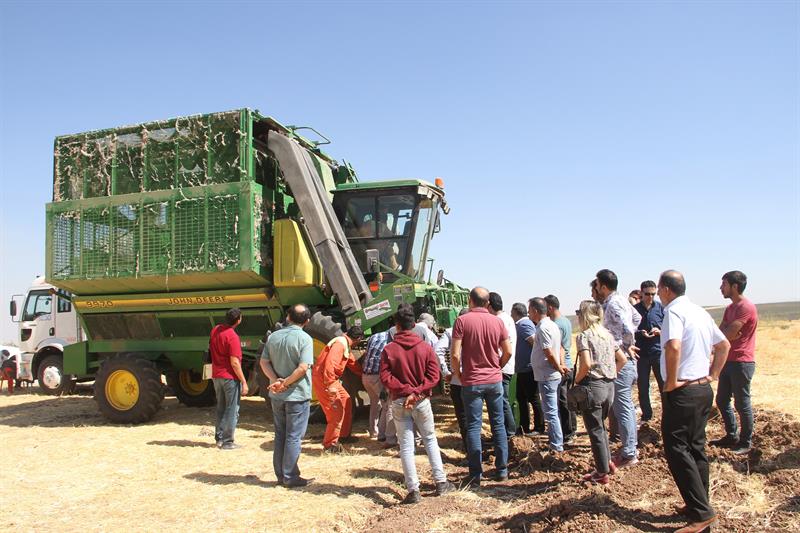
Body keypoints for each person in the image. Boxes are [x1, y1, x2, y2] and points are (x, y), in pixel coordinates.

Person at [658, 270, 730, 533]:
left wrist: (671, 382)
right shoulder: (700, 311)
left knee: (677, 449)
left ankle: (701, 514)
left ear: (666, 289)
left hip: (683, 392)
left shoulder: (673, 312)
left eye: (659, 288)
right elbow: (724, 346)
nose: (658, 294)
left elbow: (673, 346)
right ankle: (699, 504)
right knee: (696, 447)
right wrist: (713, 375)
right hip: (702, 389)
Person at [380, 303, 454, 504]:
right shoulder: (425, 348)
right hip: (421, 401)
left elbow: (385, 377)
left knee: (405, 445)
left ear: (396, 326)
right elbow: (434, 376)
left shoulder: (389, 349)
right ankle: (441, 482)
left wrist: (405, 391)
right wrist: (416, 392)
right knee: (429, 439)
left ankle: (413, 490)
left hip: (399, 402)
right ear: (413, 325)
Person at [450, 287, 512, 486]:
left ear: (470, 301)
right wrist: (497, 367)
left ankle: (476, 473)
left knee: (473, 427)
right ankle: (502, 470)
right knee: (498, 425)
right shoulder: (498, 321)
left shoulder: (462, 321)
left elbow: (455, 354)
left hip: (472, 381)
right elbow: (508, 351)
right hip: (494, 381)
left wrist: (459, 374)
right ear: (488, 303)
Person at [260, 304, 314, 487]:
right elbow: (303, 367)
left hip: (277, 395)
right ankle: (290, 476)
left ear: (288, 317)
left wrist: (275, 381)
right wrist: (286, 383)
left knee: (280, 435)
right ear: (307, 321)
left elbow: (264, 362)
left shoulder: (273, 336)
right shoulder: (305, 339)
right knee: (294, 437)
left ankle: (280, 475)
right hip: (297, 395)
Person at [574, 300, 627, 484]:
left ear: (585, 316)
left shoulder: (584, 336)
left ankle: (601, 472)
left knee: (595, 430)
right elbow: (622, 359)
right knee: (601, 427)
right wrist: (610, 375)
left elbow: (586, 364)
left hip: (592, 387)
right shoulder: (607, 335)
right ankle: (608, 462)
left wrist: (577, 380)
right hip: (609, 387)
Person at [595, 269, 641, 468]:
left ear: (604, 286)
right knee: (624, 405)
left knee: (623, 407)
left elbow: (629, 327)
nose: (596, 288)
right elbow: (637, 318)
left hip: (620, 360)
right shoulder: (621, 300)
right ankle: (630, 447)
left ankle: (629, 453)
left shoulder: (613, 304)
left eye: (597, 285)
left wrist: (626, 344)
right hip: (621, 358)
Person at [712, 270, 758, 455]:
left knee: (742, 403)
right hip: (728, 360)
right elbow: (721, 332)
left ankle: (746, 442)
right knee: (722, 400)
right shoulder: (730, 308)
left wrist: (725, 335)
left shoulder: (746, 307)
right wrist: (725, 336)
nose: (720, 288)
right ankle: (732, 435)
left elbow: (728, 333)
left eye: (724, 284)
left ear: (735, 286)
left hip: (742, 362)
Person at [312, 326, 365, 453]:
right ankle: (330, 445)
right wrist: (330, 384)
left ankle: (343, 435)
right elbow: (330, 364)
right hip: (325, 380)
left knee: (346, 400)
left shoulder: (345, 343)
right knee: (335, 412)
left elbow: (352, 363)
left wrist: (364, 374)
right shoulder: (340, 344)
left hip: (330, 379)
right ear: (358, 339)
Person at [528, 297, 567, 452]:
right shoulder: (552, 325)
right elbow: (561, 348)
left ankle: (556, 446)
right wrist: (561, 366)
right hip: (549, 374)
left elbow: (549, 352)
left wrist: (558, 367)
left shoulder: (543, 328)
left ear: (535, 311)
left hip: (547, 375)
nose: (529, 314)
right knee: (552, 411)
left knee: (550, 412)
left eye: (530, 311)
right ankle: (555, 441)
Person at [210, 308, 248, 450]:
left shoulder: (215, 330)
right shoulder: (233, 337)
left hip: (216, 376)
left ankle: (219, 438)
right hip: (229, 377)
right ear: (238, 320)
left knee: (221, 407)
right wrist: (244, 381)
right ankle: (228, 441)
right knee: (232, 409)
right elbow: (235, 362)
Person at [435, 308, 469, 451]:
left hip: (458, 380)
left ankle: (468, 447)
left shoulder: (450, 332)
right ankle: (477, 446)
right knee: (475, 416)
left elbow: (437, 351)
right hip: (478, 380)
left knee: (463, 416)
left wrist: (446, 372)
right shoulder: (478, 329)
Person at [545, 294, 577, 444]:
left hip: (563, 366)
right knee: (567, 399)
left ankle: (567, 433)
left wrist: (560, 366)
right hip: (568, 365)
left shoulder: (556, 325)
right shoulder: (565, 321)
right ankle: (571, 429)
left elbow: (560, 348)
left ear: (550, 307)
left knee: (563, 401)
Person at [511, 303, 545, 435]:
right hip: (522, 369)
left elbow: (535, 342)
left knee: (533, 398)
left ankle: (539, 427)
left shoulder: (524, 325)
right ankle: (524, 426)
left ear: (515, 313)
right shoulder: (521, 324)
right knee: (521, 398)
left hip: (528, 369)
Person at [634, 280, 665, 422]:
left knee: (663, 384)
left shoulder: (661, 308)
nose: (650, 297)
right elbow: (629, 330)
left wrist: (660, 331)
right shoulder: (634, 310)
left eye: (653, 294)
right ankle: (646, 415)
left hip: (657, 352)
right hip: (641, 353)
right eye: (647, 294)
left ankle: (667, 413)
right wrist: (640, 333)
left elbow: (669, 328)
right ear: (641, 293)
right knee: (643, 386)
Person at [489, 292, 517, 438]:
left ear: (489, 305)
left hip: (502, 366)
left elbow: (504, 349)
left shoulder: (499, 321)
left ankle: (509, 432)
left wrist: (498, 366)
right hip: (507, 365)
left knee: (502, 401)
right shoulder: (507, 318)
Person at [362, 330, 390, 441]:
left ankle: (373, 431)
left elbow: (366, 353)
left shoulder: (374, 336)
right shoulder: (390, 340)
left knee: (375, 403)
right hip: (376, 377)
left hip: (366, 376)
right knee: (387, 405)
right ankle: (384, 435)